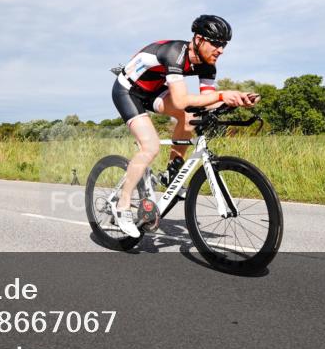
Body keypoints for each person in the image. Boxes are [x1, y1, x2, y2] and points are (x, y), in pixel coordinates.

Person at [110, 15, 259, 238]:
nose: (221, 50)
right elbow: (180, 101)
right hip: (128, 91)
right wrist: (222, 95)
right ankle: (122, 207)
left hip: (153, 92)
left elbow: (207, 100)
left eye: (224, 45)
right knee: (150, 147)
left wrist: (237, 99)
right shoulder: (175, 54)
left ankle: (172, 173)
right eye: (216, 43)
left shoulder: (208, 65)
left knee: (189, 117)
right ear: (198, 39)